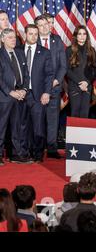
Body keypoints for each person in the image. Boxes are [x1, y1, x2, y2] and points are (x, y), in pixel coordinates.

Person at [20, 24, 54, 162]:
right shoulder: (18, 51)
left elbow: (49, 74)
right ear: (25, 35)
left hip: (38, 95)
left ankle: (38, 155)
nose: (33, 36)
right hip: (20, 95)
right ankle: (23, 153)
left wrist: (47, 92)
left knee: (38, 127)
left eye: (36, 34)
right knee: (21, 125)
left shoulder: (45, 52)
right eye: (30, 33)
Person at [35, 15, 67, 159]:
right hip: (37, 88)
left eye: (46, 24)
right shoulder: (33, 40)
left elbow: (63, 65)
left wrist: (56, 80)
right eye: (40, 25)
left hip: (54, 87)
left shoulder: (57, 40)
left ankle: (52, 148)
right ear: (36, 27)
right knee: (38, 119)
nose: (44, 27)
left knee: (52, 118)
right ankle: (38, 148)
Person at [0, 29, 29, 165]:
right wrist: (10, 92)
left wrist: (23, 89)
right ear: (3, 39)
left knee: (17, 127)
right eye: (10, 38)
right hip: (5, 96)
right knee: (2, 127)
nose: (13, 40)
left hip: (20, 96)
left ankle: (16, 154)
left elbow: (26, 74)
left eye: (14, 37)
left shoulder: (19, 53)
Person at [65, 25, 96, 118]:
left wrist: (86, 82)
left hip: (87, 87)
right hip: (75, 86)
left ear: (87, 36)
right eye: (79, 34)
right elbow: (67, 70)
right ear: (76, 36)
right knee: (74, 114)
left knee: (85, 115)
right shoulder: (69, 50)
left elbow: (94, 69)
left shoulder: (91, 50)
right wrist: (80, 83)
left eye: (84, 34)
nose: (82, 36)